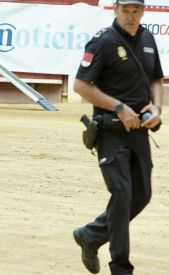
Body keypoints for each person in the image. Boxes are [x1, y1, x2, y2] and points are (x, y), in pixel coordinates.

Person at [72, 0, 164, 274]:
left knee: (141, 195)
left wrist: (157, 107)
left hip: (140, 132)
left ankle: (91, 235)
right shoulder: (102, 42)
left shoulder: (147, 38)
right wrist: (119, 107)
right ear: (115, 9)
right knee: (122, 194)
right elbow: (80, 86)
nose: (131, 16)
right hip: (110, 131)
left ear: (143, 11)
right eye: (126, 10)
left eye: (136, 10)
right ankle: (121, 267)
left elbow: (156, 80)